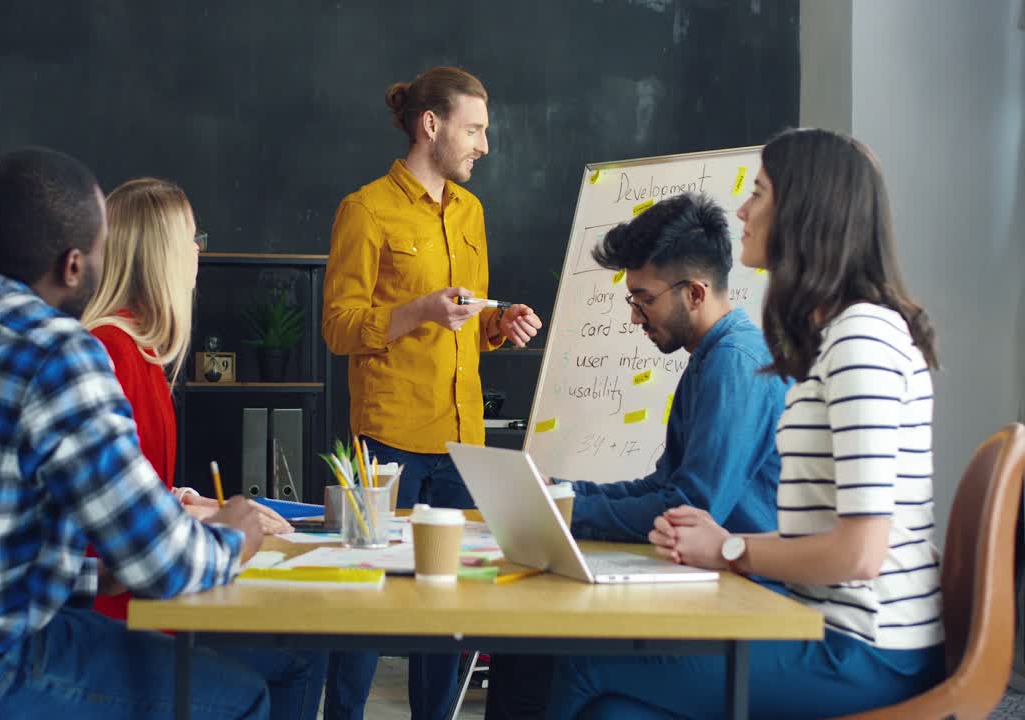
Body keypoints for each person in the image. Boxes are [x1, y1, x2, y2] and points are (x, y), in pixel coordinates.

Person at [0, 147, 317, 719]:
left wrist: (91, 572)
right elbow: (168, 567)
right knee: (242, 696)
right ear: (74, 265)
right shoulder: (58, 353)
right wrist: (235, 533)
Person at [547, 128, 945, 718]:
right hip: (819, 623)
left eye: (758, 193)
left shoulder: (862, 341)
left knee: (584, 661)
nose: (741, 210)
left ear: (804, 211)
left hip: (864, 648)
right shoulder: (836, 339)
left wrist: (729, 549)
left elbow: (860, 555)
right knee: (614, 710)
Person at [485, 192, 791, 720]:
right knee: (525, 645)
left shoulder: (734, 363)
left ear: (694, 293)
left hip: (749, 599)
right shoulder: (711, 356)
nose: (633, 317)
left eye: (643, 300)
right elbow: (663, 485)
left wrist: (568, 511)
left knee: (559, 655)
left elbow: (689, 509)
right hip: (710, 583)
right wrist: (564, 494)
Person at [321, 66, 542, 720]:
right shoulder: (365, 210)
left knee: (447, 608)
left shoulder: (472, 212)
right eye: (474, 130)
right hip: (388, 438)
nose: (484, 145)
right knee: (368, 600)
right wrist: (417, 311)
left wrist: (500, 324)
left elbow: (468, 323)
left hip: (461, 440)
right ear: (430, 126)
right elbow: (338, 327)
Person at [79, 176, 325, 719]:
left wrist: (194, 502)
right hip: (123, 619)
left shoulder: (133, 349)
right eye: (192, 238)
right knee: (298, 655)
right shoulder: (111, 354)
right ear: (160, 254)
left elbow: (127, 487)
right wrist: (210, 520)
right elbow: (110, 525)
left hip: (140, 599)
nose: (198, 251)